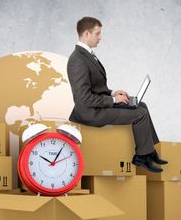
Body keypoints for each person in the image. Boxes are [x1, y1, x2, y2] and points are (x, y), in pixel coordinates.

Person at [66, 16, 167, 172]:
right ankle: (141, 157)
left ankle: (149, 152)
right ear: (87, 34)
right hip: (90, 112)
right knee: (139, 113)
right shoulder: (77, 60)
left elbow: (94, 87)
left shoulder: (86, 55)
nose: (100, 37)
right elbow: (83, 98)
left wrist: (114, 92)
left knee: (142, 105)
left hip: (97, 105)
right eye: (97, 33)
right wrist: (113, 100)